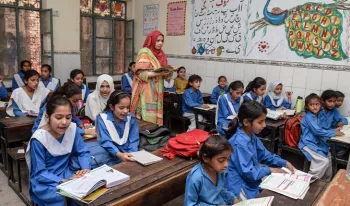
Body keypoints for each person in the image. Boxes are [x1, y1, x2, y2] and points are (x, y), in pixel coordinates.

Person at [25, 96, 91, 206]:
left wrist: (85, 169)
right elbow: (40, 172)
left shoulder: (72, 130)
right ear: (47, 117)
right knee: (66, 198)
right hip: (46, 181)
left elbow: (82, 151)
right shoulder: (39, 139)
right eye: (59, 117)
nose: (64, 122)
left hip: (67, 173)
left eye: (68, 117)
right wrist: (62, 181)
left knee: (87, 192)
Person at [226, 101, 295, 199]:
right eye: (260, 122)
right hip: (239, 185)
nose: (264, 125)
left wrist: (284, 162)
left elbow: (265, 155)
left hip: (251, 181)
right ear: (246, 122)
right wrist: (271, 169)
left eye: (264, 121)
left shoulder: (251, 136)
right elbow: (248, 172)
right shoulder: (239, 142)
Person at [185, 129, 239, 205]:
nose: (226, 164)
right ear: (206, 158)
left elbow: (221, 190)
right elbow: (190, 204)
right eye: (221, 160)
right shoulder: (196, 178)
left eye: (228, 159)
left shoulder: (220, 171)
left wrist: (233, 199)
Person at [130, 30, 173, 125]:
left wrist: (167, 72)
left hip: (158, 92)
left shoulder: (162, 54)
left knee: (155, 123)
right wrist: (159, 74)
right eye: (158, 40)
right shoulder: (144, 52)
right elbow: (140, 74)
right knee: (146, 121)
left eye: (162, 41)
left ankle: (154, 137)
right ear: (152, 40)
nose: (160, 43)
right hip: (146, 91)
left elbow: (163, 75)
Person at [298, 93, 344, 181]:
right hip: (307, 144)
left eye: (317, 104)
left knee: (329, 155)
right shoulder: (308, 117)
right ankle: (309, 180)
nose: (315, 107)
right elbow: (317, 131)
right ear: (307, 106)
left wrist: (334, 130)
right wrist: (334, 133)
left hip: (317, 143)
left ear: (320, 105)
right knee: (323, 161)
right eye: (311, 105)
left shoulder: (319, 115)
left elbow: (322, 128)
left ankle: (326, 181)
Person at [31, 82, 96, 137]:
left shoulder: (68, 105)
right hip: (43, 136)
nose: (77, 104)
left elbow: (73, 118)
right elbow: (62, 127)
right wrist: (85, 131)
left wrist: (81, 124)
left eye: (78, 101)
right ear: (65, 98)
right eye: (75, 101)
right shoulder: (52, 105)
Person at [97, 91, 139, 166]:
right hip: (111, 155)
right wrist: (119, 154)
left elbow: (134, 140)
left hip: (129, 155)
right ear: (112, 107)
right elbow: (105, 141)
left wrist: (132, 155)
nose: (125, 111)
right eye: (121, 108)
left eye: (128, 107)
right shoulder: (103, 119)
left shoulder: (131, 118)